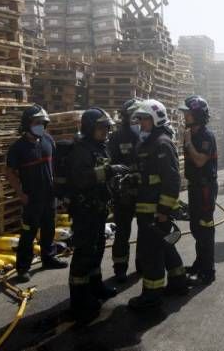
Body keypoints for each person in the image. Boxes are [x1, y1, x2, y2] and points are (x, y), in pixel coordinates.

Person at [68, 108, 127, 324]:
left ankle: (96, 287)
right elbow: (82, 179)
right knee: (84, 253)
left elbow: (103, 174)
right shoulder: (81, 150)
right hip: (85, 211)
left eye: (107, 127)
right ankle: (79, 301)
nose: (106, 131)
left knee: (97, 249)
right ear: (90, 127)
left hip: (98, 210)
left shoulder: (100, 148)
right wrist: (109, 171)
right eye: (102, 127)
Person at [129, 99, 187, 310]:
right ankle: (179, 282)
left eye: (144, 119)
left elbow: (172, 181)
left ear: (156, 119)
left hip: (156, 212)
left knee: (151, 254)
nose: (141, 123)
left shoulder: (162, 143)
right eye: (140, 119)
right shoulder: (146, 143)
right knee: (165, 245)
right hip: (147, 209)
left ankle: (151, 298)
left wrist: (163, 211)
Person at [6, 104, 68, 283]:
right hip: (31, 198)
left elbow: (55, 166)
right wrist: (20, 194)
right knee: (28, 233)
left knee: (49, 228)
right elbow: (9, 172)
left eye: (43, 122)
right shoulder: (18, 148)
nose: (41, 125)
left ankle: (48, 258)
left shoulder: (48, 140)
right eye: (37, 122)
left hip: (49, 196)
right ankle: (23, 268)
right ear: (27, 124)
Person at [179, 95, 218, 286]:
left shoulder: (205, 136)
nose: (185, 116)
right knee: (196, 227)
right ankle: (199, 263)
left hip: (205, 189)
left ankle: (208, 271)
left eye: (187, 113)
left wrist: (187, 143)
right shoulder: (191, 133)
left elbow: (200, 160)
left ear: (197, 114)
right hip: (196, 187)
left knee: (205, 229)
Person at [107, 99, 141, 282]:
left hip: (144, 192)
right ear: (126, 116)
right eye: (134, 115)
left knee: (145, 231)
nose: (137, 119)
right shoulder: (117, 137)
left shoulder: (148, 135)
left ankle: (142, 265)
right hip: (123, 193)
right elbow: (110, 165)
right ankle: (120, 268)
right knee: (122, 232)